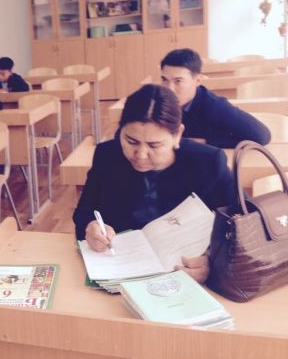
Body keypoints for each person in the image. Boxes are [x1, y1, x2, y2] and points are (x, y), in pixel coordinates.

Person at [73, 84, 236, 283]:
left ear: (177, 135)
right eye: (131, 141)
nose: (141, 155)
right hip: (120, 269)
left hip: (184, 274)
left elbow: (240, 223)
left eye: (154, 145)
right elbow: (84, 212)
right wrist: (91, 227)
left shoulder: (208, 162)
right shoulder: (107, 155)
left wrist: (211, 261)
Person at [160, 48, 271, 148]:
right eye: (165, 80)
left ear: (197, 80)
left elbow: (262, 136)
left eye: (178, 81)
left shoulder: (215, 106)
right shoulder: (158, 100)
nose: (169, 89)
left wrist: (206, 142)